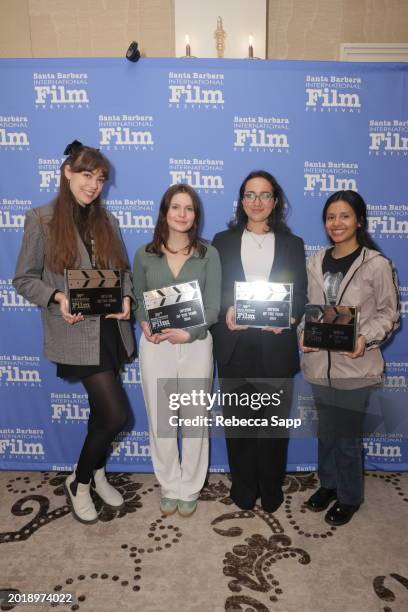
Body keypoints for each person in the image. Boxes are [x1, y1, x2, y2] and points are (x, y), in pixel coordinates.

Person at [13, 140, 135, 525]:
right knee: (116, 415)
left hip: (111, 331)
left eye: (99, 179)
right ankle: (79, 482)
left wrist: (128, 299)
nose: (93, 185)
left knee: (102, 413)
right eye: (86, 175)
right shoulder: (41, 219)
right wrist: (57, 296)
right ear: (67, 172)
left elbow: (124, 275)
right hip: (76, 333)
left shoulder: (108, 221)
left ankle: (96, 472)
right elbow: (24, 278)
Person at [300, 190, 399, 526]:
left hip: (355, 367)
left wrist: (364, 337)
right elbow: (307, 310)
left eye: (344, 216)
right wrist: (304, 332)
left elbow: (389, 314)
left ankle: (350, 497)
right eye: (330, 217)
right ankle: (328, 485)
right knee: (326, 433)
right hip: (318, 367)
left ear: (359, 220)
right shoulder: (314, 262)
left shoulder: (376, 264)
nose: (336, 223)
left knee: (346, 438)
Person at [212, 170, 307, 513]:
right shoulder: (221, 241)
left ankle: (271, 488)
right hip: (234, 344)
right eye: (249, 195)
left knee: (272, 424)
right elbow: (215, 289)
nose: (256, 202)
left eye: (264, 195)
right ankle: (243, 487)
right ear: (241, 201)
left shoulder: (292, 244)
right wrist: (226, 311)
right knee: (238, 423)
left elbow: (300, 296)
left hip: (275, 345)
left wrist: (290, 318)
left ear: (275, 201)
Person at [133, 184, 221, 517]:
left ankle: (191, 487)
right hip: (156, 346)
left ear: (196, 215)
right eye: (175, 207)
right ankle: (170, 485)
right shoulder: (144, 253)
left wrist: (191, 333)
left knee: (196, 419)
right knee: (163, 420)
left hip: (195, 344)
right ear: (165, 212)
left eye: (189, 208)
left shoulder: (208, 254)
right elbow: (140, 299)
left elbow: (213, 305)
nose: (182, 214)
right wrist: (144, 322)